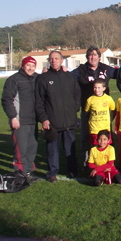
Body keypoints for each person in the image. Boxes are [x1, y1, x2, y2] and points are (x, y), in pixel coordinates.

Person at [36, 51, 81, 182]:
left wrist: (74, 109)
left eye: (56, 58)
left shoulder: (69, 77)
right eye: (51, 59)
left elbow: (77, 94)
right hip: (52, 122)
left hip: (69, 121)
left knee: (70, 149)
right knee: (52, 150)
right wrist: (44, 118)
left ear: (62, 61)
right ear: (49, 61)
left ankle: (72, 170)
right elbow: (39, 101)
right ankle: (52, 173)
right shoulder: (43, 78)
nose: (54, 61)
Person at [72, 46, 118, 168]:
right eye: (90, 55)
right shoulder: (81, 70)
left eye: (95, 55)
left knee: (106, 138)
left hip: (103, 112)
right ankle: (87, 163)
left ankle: (108, 163)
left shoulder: (105, 69)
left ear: (99, 56)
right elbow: (69, 78)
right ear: (87, 57)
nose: (92, 57)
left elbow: (120, 74)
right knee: (86, 138)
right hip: (88, 110)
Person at [1, 56, 40, 183]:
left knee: (31, 149)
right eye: (28, 65)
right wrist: (13, 117)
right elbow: (7, 100)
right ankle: (20, 175)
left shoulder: (36, 78)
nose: (30, 68)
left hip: (33, 120)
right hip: (20, 121)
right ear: (23, 66)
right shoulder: (14, 80)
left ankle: (28, 173)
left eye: (33, 66)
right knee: (20, 150)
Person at [84, 79, 116, 146]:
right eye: (95, 87)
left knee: (106, 148)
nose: (97, 90)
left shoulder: (108, 99)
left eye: (99, 88)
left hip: (105, 128)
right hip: (94, 129)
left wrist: (110, 120)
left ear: (104, 88)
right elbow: (86, 112)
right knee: (95, 148)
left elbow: (113, 110)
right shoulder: (90, 99)